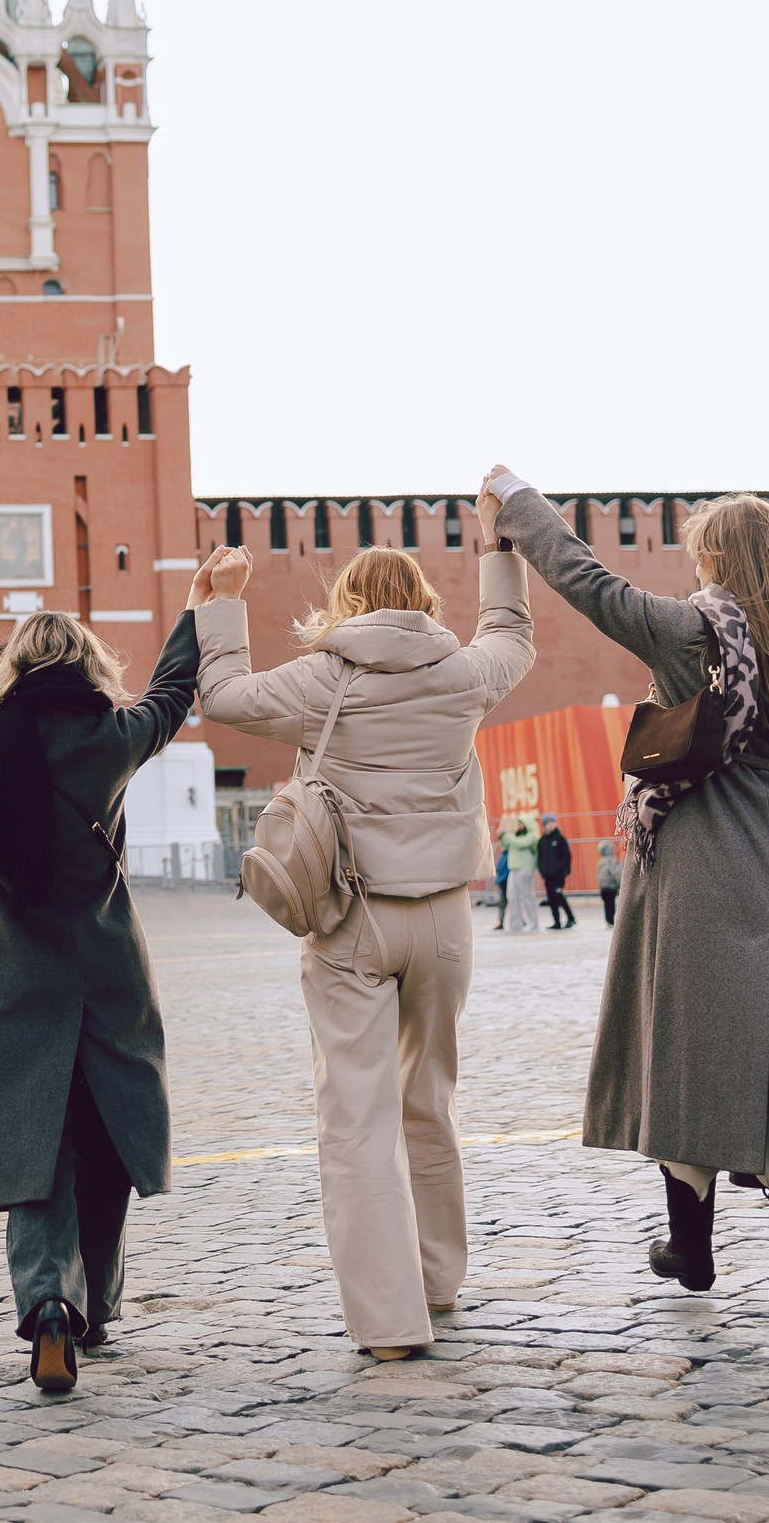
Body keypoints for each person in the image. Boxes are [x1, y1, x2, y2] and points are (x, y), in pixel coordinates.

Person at [487, 467, 769, 1322]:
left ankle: (692, 1247)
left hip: (703, 872)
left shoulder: (693, 637)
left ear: (721, 561)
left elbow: (585, 580)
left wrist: (518, 503)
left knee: (692, 1053)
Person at [196, 524, 534, 1361]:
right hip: (446, 922)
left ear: (347, 602)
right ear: (423, 603)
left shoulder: (323, 678)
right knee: (431, 1098)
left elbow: (226, 697)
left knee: (357, 1116)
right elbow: (513, 635)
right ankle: (437, 1278)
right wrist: (498, 551)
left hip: (353, 916)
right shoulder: (462, 674)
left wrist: (226, 605)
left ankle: (389, 1325)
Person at [0, 573, 202, 1392]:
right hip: (108, 975)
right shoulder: (116, 736)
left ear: (15, 671)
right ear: (92, 666)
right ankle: (96, 1307)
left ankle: (47, 1306)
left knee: (35, 1152)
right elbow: (177, 690)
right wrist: (197, 607)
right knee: (105, 1142)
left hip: (15, 982)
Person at [536, 814, 577, 929]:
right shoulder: (542, 841)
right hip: (547, 875)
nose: (550, 825)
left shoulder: (560, 839)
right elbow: (540, 857)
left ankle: (571, 918)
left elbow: (566, 856)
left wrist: (561, 868)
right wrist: (542, 869)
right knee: (551, 898)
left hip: (558, 875)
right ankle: (557, 921)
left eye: (552, 823)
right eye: (547, 824)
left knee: (558, 895)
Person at [501, 815, 540, 932]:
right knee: (512, 897)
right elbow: (506, 845)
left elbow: (521, 844)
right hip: (513, 869)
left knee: (527, 897)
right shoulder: (514, 837)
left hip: (525, 869)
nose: (519, 826)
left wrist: (507, 836)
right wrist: (502, 837)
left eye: (521, 823)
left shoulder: (531, 836)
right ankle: (515, 924)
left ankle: (533, 923)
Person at [596, 839, 622, 927]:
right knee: (611, 904)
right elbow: (614, 873)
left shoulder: (600, 860)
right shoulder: (612, 860)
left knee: (607, 904)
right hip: (611, 886)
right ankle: (611, 920)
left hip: (603, 887)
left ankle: (608, 919)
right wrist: (619, 883)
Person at [488, 833, 510, 931]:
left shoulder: (508, 854)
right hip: (503, 882)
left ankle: (519, 921)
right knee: (503, 903)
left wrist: (498, 881)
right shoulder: (504, 854)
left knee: (508, 902)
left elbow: (505, 870)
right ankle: (501, 921)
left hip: (506, 882)